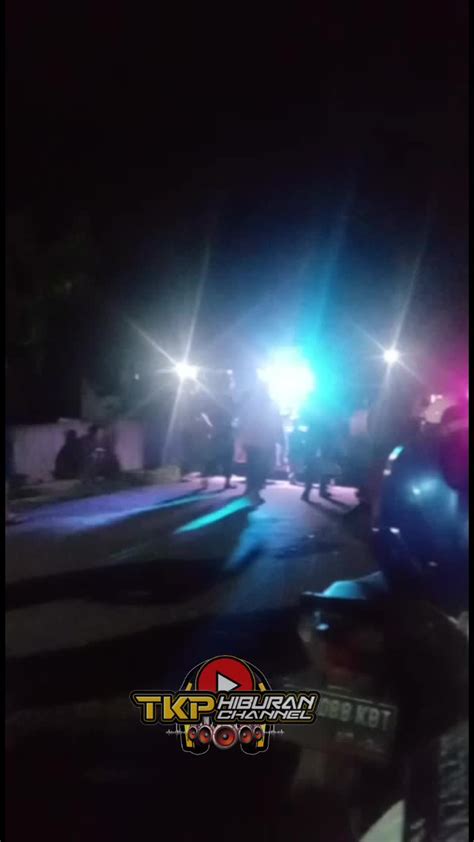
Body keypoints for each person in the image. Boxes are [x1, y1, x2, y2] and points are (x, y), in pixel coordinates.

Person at [238, 380, 283, 504]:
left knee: (252, 467)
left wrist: (243, 439)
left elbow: (243, 422)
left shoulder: (250, 404)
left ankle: (250, 489)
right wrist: (280, 439)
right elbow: (277, 423)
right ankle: (255, 491)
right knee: (261, 468)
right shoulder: (271, 404)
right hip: (265, 442)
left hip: (252, 441)